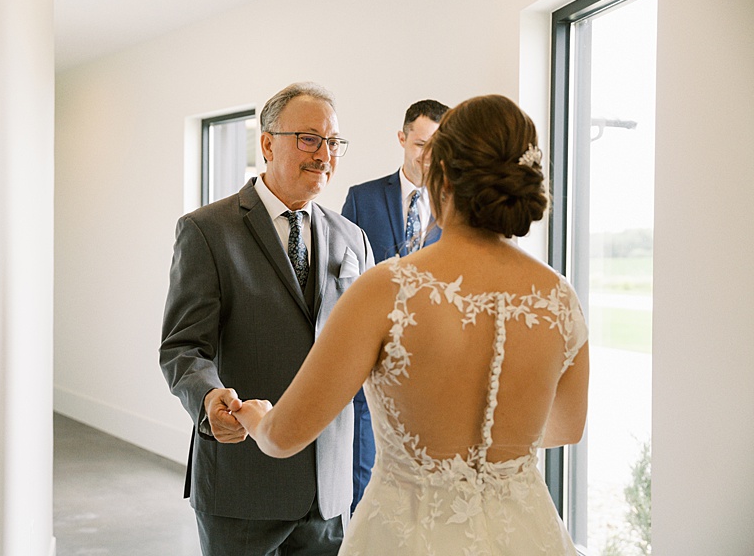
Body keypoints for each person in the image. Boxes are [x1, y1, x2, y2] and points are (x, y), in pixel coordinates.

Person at [233, 94, 590, 555]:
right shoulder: (559, 296)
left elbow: (283, 438)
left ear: (439, 177)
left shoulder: (388, 288)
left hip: (410, 535)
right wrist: (490, 447)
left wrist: (257, 417)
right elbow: (567, 427)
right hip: (525, 533)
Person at [160, 81, 374, 556]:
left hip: (327, 487)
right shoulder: (206, 231)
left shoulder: (353, 238)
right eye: (309, 138)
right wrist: (210, 399)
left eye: (333, 142)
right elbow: (182, 347)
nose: (324, 154)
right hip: (243, 483)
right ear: (266, 143)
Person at [341, 98, 448, 512]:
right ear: (402, 139)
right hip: (371, 362)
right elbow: (344, 282)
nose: (428, 157)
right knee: (364, 475)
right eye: (420, 145)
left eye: (438, 147)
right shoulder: (361, 199)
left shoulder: (459, 207)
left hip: (435, 365)